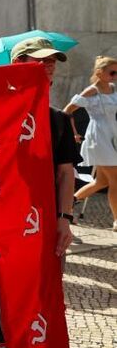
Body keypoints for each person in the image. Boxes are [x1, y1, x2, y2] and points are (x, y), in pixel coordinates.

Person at [10, 37, 79, 257]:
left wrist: (64, 218)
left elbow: (65, 172)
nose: (50, 64)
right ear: (18, 64)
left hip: (43, 219)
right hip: (6, 219)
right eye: (41, 59)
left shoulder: (59, 119)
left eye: (53, 60)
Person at [64, 56, 117, 230]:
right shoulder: (91, 90)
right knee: (115, 180)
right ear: (99, 72)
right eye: (112, 72)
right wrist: (72, 133)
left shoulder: (113, 88)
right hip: (99, 138)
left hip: (113, 136)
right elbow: (67, 111)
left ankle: (68, 203)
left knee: (101, 182)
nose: (115, 76)